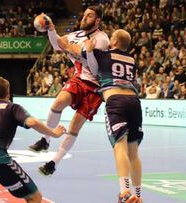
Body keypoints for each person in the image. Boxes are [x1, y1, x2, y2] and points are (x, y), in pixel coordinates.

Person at [61, 29, 143, 202]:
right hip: (135, 102)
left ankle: (124, 193)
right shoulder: (132, 60)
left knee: (119, 147)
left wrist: (86, 48)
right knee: (133, 152)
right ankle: (138, 195)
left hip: (115, 101)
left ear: (112, 42)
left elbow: (82, 56)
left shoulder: (103, 55)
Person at [29, 5, 110, 176]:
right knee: (58, 102)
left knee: (74, 127)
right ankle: (46, 139)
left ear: (97, 21)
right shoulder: (75, 35)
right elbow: (58, 45)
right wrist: (51, 29)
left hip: (94, 88)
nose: (84, 18)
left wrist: (70, 46)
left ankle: (53, 163)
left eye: (89, 16)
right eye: (84, 15)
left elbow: (86, 58)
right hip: (79, 78)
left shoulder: (102, 39)